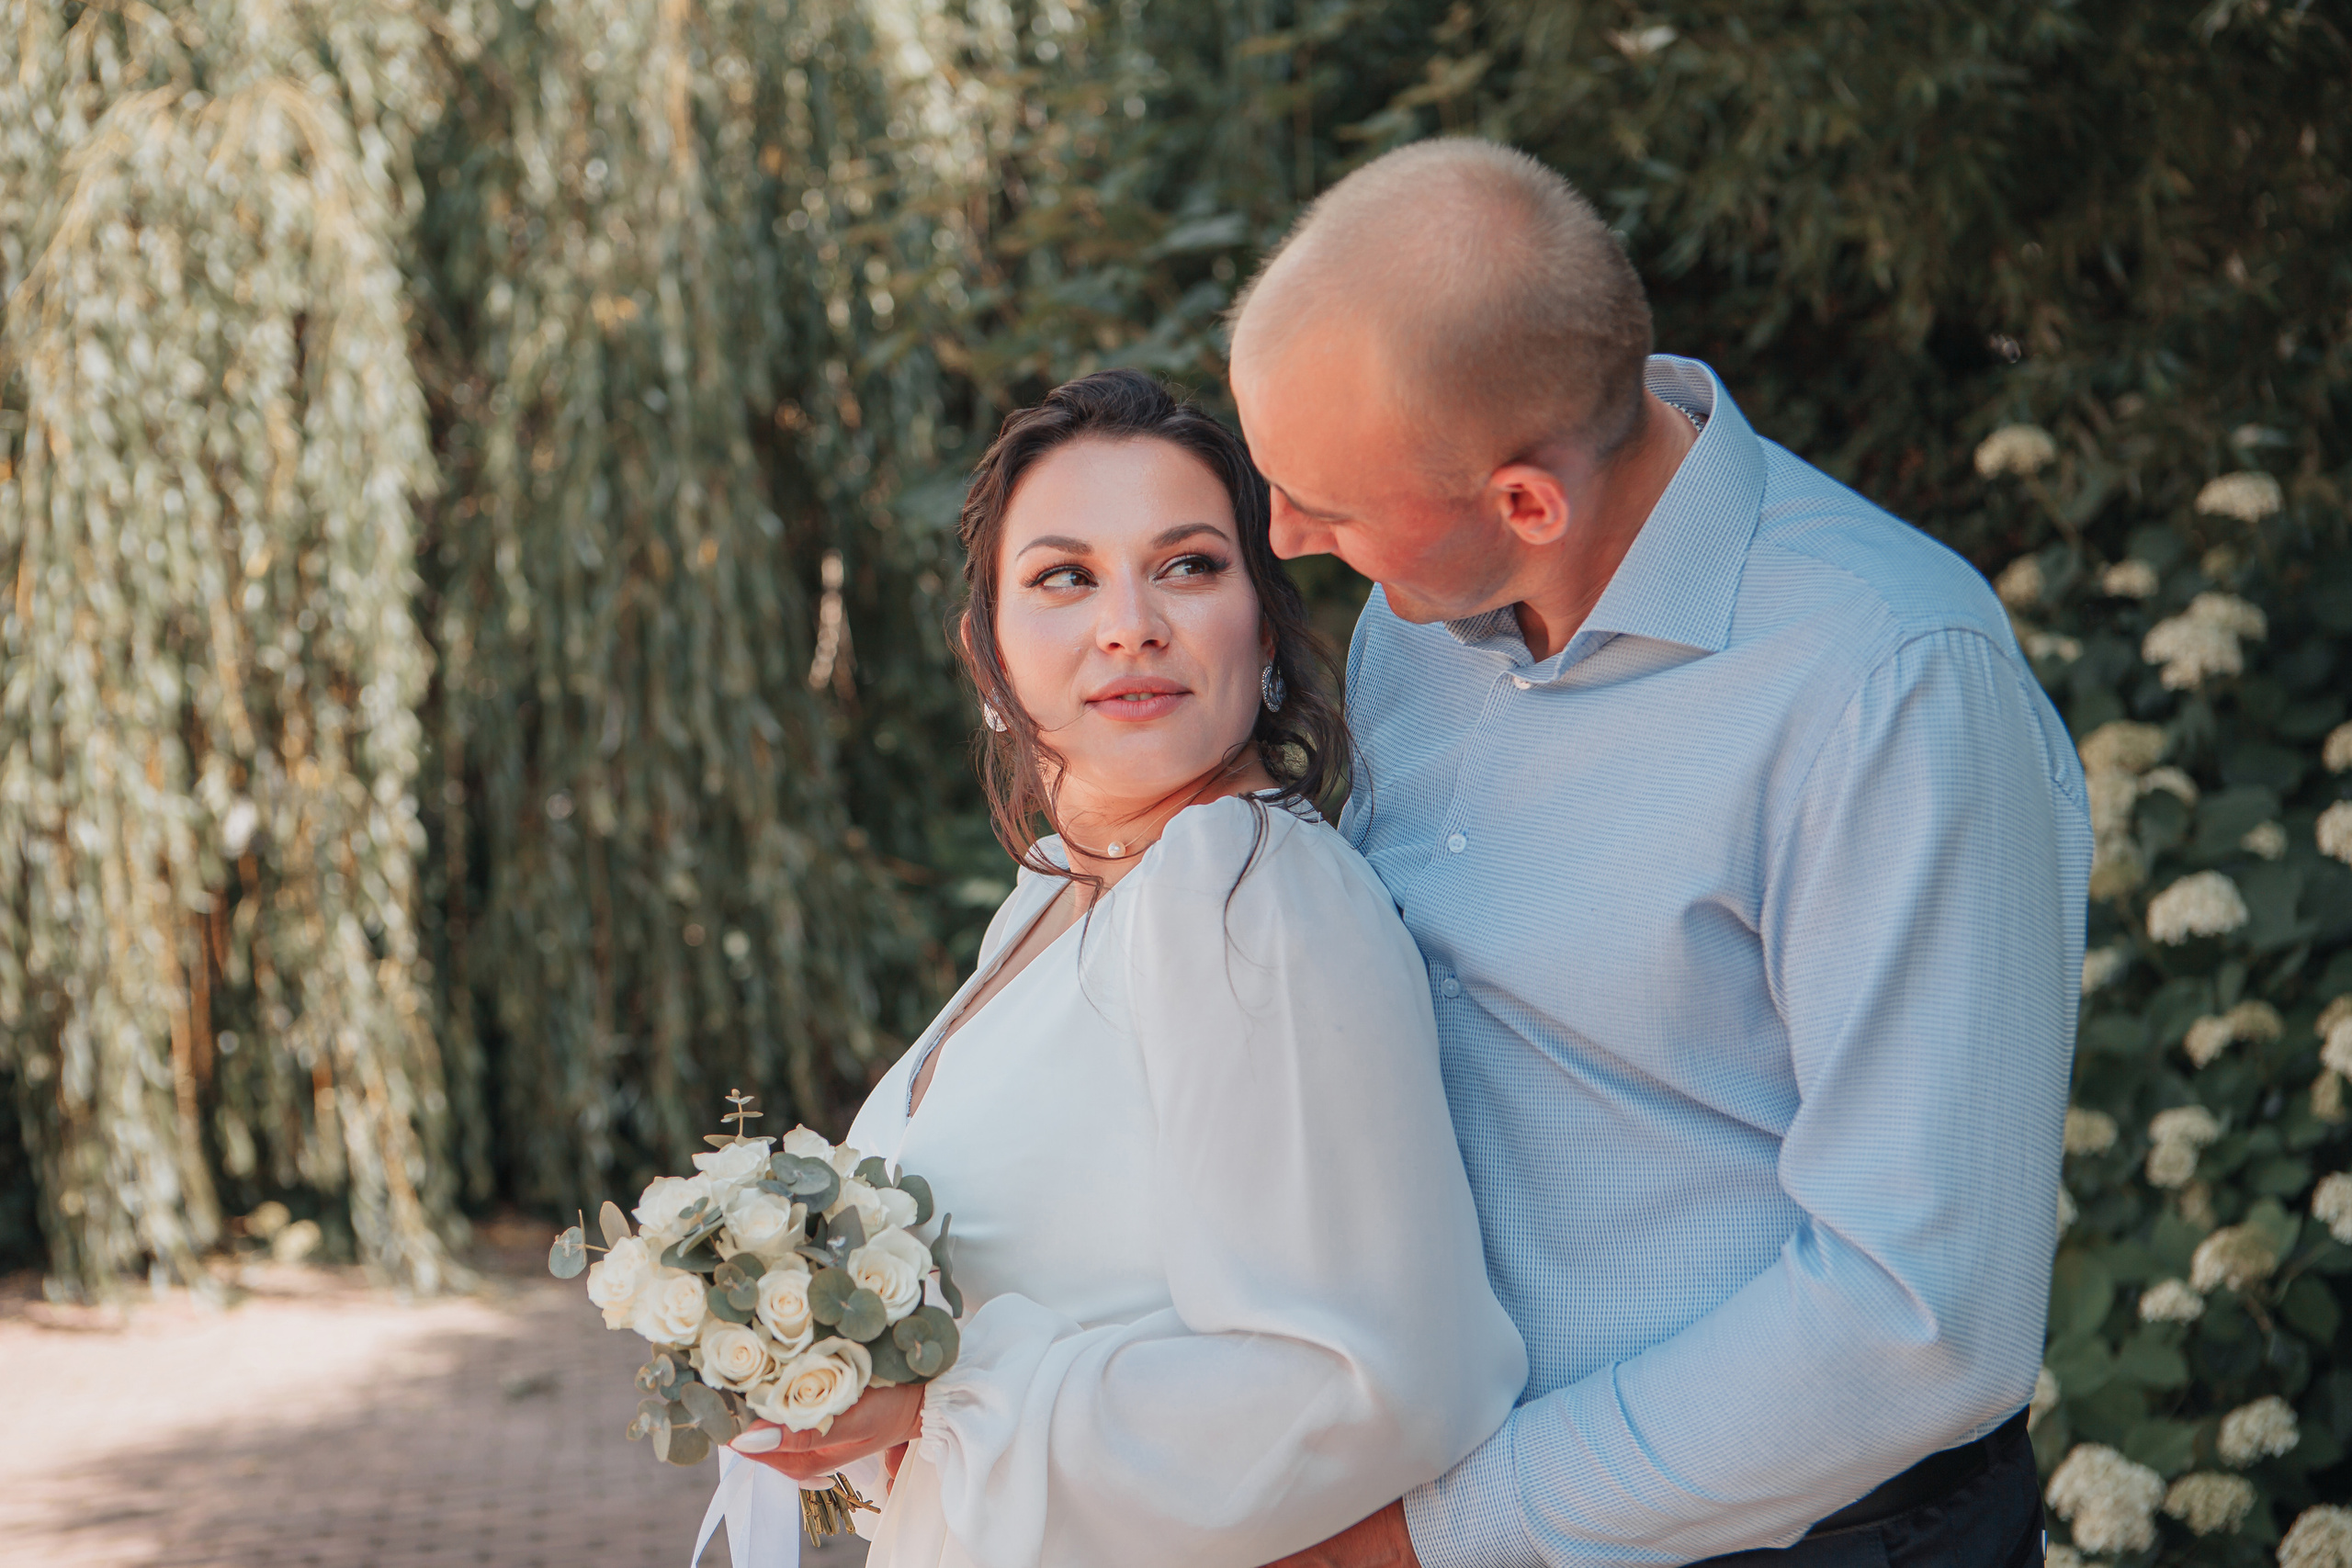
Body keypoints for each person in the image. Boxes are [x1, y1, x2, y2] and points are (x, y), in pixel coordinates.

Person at [1227, 140, 2091, 1568]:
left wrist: (1432, 1539)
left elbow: (1920, 1319)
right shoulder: (1419, 623)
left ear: (1527, 503)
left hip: (1797, 1542)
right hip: (1440, 1483)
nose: (1286, 537)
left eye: (1328, 503)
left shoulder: (1891, 686)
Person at [717, 368, 1526, 1567]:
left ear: (1262, 623)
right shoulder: (1057, 893)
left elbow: (1377, 1385)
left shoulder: (1246, 893)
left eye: (1189, 564)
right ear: (985, 647)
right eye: (1063, 577)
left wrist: (942, 1401)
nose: (1128, 622)